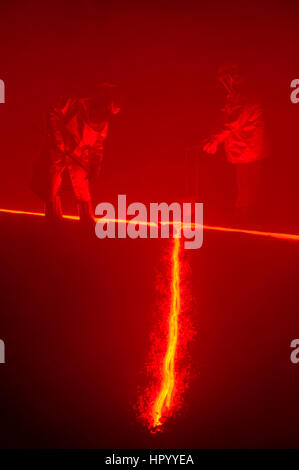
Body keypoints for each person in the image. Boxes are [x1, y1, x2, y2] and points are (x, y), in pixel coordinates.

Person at [32, 83, 120, 226]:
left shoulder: (103, 121)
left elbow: (98, 145)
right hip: (58, 149)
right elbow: (52, 113)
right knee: (52, 185)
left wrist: (95, 166)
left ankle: (87, 221)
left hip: (80, 154)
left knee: (82, 189)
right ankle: (53, 220)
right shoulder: (73, 102)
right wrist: (58, 139)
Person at [203, 64, 268, 221]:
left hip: (249, 151)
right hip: (244, 151)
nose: (225, 83)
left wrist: (214, 140)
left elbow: (232, 121)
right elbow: (225, 119)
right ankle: (242, 219)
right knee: (244, 188)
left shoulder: (248, 97)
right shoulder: (238, 96)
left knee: (247, 189)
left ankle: (243, 222)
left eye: (227, 78)